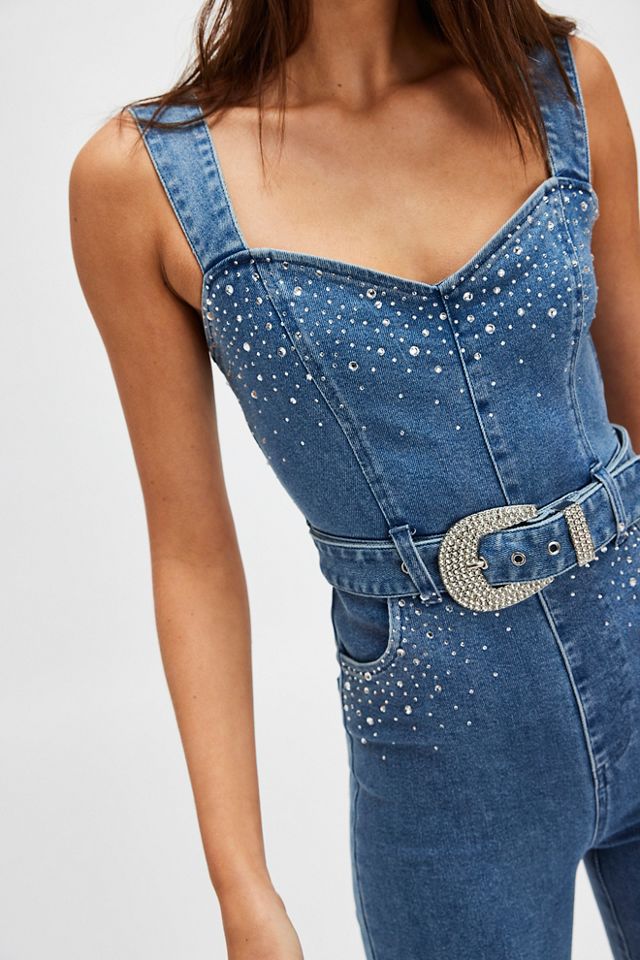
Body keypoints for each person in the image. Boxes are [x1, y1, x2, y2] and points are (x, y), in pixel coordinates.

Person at [69, 1, 640, 957]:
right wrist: (242, 886)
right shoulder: (140, 184)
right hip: (441, 755)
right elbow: (192, 554)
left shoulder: (565, 86)